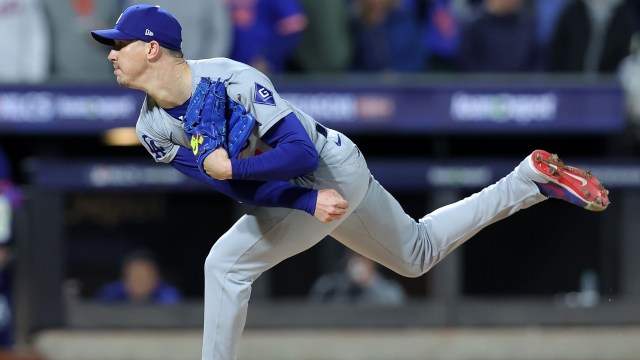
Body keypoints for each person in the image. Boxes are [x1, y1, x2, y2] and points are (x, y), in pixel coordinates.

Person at [90, 5, 610, 359]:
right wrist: (300, 199)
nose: (112, 53)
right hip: (300, 190)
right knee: (416, 253)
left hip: (331, 166)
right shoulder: (151, 127)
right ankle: (527, 181)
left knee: (224, 265)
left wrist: (298, 190)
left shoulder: (232, 78)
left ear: (153, 48)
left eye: (120, 44)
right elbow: (235, 189)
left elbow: (296, 150)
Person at [309, 251, 406, 306]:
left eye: (364, 259)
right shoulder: (332, 284)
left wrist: (370, 281)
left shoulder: (389, 288)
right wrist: (345, 283)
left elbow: (397, 305)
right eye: (355, 257)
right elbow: (315, 304)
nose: (359, 264)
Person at [94, 249, 182, 305]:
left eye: (145, 277)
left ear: (157, 279)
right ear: (124, 278)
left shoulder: (168, 295)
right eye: (134, 277)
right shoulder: (111, 293)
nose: (139, 282)